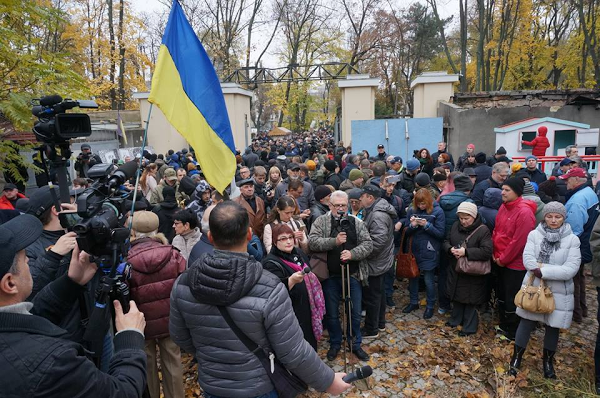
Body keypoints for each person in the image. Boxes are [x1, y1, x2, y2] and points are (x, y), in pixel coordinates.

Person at [169, 202, 351, 397]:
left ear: (210, 237)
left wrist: (211, 354)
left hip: (214, 385)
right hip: (260, 385)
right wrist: (328, 381)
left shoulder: (183, 284)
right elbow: (292, 350)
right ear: (249, 235)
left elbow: (180, 336)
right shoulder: (269, 286)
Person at [0, 214, 148, 397]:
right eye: (24, 258)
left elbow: (33, 317)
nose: (29, 261)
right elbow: (123, 393)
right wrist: (130, 339)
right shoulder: (53, 361)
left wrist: (71, 283)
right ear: (10, 284)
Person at [509, 202, 580, 379]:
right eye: (549, 216)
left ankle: (548, 362)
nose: (553, 220)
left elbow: (571, 268)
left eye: (557, 216)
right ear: (544, 217)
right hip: (534, 287)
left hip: (559, 291)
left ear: (564, 218)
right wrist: (539, 270)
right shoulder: (534, 235)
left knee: (552, 326)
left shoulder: (572, 240)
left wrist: (544, 271)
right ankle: (516, 358)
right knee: (526, 321)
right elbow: (528, 258)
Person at [308, 190, 373, 361]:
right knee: (332, 314)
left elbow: (368, 244)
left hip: (353, 274)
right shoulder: (321, 221)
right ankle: (336, 343)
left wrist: (352, 254)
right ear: (330, 205)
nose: (341, 208)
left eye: (343, 205)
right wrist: (333, 242)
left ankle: (355, 344)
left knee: (355, 312)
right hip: (330, 276)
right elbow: (312, 242)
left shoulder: (356, 222)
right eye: (337, 205)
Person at [127, 211, 186, 398]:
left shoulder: (126, 260)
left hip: (141, 324)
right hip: (171, 320)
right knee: (173, 363)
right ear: (156, 229)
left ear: (133, 231)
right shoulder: (173, 255)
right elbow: (184, 286)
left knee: (146, 365)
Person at [262, 224, 325, 350]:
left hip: (307, 308)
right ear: (275, 241)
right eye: (283, 239)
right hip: (291, 313)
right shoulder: (271, 262)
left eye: (291, 237)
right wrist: (290, 281)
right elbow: (273, 293)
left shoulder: (299, 253)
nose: (289, 241)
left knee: (310, 344)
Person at [492, 178, 536, 340]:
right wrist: (495, 254)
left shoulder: (524, 212)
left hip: (514, 264)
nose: (502, 192)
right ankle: (504, 324)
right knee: (502, 294)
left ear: (517, 192)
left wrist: (503, 258)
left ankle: (512, 331)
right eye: (502, 189)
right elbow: (497, 231)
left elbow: (518, 241)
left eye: (507, 190)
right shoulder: (504, 207)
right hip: (500, 259)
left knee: (512, 297)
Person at [444, 202, 493, 336]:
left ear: (474, 216)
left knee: (471, 299)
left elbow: (487, 251)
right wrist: (450, 249)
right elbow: (446, 241)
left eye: (467, 218)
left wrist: (466, 252)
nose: (463, 221)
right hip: (456, 267)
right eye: (461, 218)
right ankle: (455, 320)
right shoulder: (455, 226)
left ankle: (469, 327)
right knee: (457, 295)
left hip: (473, 271)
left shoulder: (483, 230)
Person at [560, 167, 599, 323]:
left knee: (573, 280)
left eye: (568, 180)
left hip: (579, 244)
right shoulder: (590, 192)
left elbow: (574, 228)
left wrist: (567, 247)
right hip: (587, 243)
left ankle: (575, 314)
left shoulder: (577, 200)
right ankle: (582, 309)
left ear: (576, 180)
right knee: (580, 277)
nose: (565, 183)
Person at [359, 184, 396, 336]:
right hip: (381, 260)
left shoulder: (378, 215)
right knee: (378, 294)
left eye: (362, 196)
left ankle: (371, 329)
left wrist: (362, 253)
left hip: (375, 262)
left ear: (370, 198)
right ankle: (379, 324)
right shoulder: (375, 210)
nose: (360, 199)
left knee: (372, 297)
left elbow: (378, 242)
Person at [403, 188, 446, 319]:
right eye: (419, 204)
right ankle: (413, 302)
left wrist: (427, 225)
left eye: (423, 204)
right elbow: (405, 231)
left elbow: (440, 234)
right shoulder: (412, 210)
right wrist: (412, 226)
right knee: (413, 277)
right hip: (414, 250)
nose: (421, 206)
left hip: (429, 250)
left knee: (428, 279)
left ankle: (430, 305)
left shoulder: (438, 212)